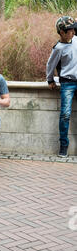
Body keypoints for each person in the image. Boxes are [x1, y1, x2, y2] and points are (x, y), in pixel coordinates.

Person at [46, 16, 77, 158]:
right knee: (65, 114)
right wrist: (50, 80)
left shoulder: (76, 39)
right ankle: (63, 145)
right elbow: (50, 65)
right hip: (67, 83)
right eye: (70, 30)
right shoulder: (58, 48)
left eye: (73, 29)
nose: (73, 32)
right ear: (62, 33)